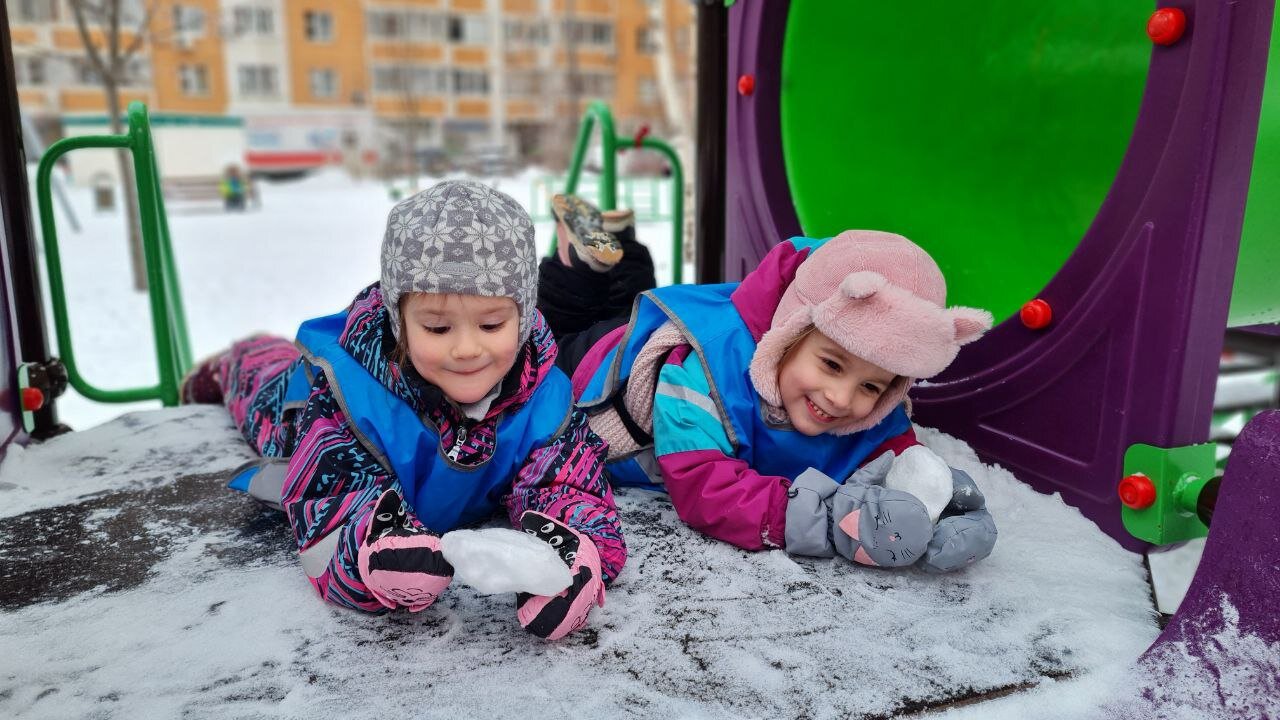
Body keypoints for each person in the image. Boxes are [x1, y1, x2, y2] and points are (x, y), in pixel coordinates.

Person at [181, 180, 623, 640]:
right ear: (401, 323)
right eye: (437, 328)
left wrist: (574, 554)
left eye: (492, 324)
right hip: (297, 411)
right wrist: (371, 555)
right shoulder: (351, 400)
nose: (466, 348)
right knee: (260, 382)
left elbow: (568, 485)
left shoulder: (543, 398)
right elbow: (331, 503)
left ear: (524, 317)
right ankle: (235, 359)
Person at [539, 196, 998, 574]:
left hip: (672, 322)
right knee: (559, 332)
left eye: (871, 388)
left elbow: (897, 454)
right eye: (831, 365)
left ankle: (620, 247)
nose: (841, 397)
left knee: (621, 293)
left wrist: (941, 503)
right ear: (787, 336)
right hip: (603, 361)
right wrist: (829, 520)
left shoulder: (870, 385)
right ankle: (579, 261)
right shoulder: (702, 375)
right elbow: (704, 487)